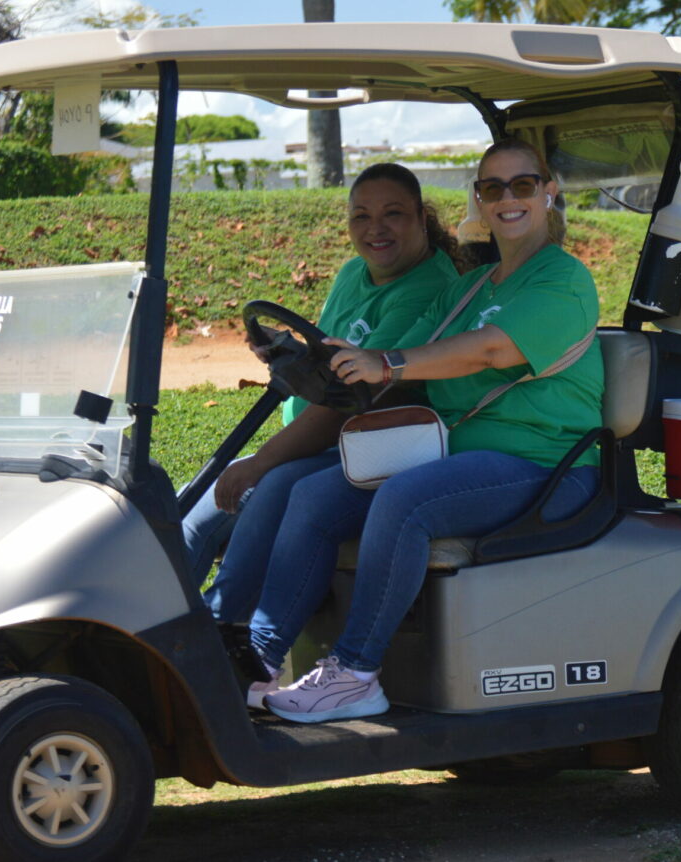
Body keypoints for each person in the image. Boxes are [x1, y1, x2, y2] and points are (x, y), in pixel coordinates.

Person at [246, 138, 605, 723]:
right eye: (492, 187)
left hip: (546, 463)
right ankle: (257, 659)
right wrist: (319, 356)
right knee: (314, 493)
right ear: (479, 200)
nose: (507, 198)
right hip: (453, 453)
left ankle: (355, 674)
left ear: (548, 192)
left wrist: (387, 363)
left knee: (404, 499)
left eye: (522, 185)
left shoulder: (562, 280)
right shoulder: (471, 287)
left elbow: (489, 351)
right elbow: (403, 352)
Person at [182, 163, 460, 623]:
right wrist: (287, 351)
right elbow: (328, 355)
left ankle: (221, 629)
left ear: (421, 218)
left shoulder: (429, 287)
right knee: (188, 511)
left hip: (367, 446)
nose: (375, 229)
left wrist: (262, 461)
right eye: (361, 217)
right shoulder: (355, 273)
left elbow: (347, 402)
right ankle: (148, 629)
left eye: (393, 214)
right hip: (317, 445)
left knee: (268, 488)